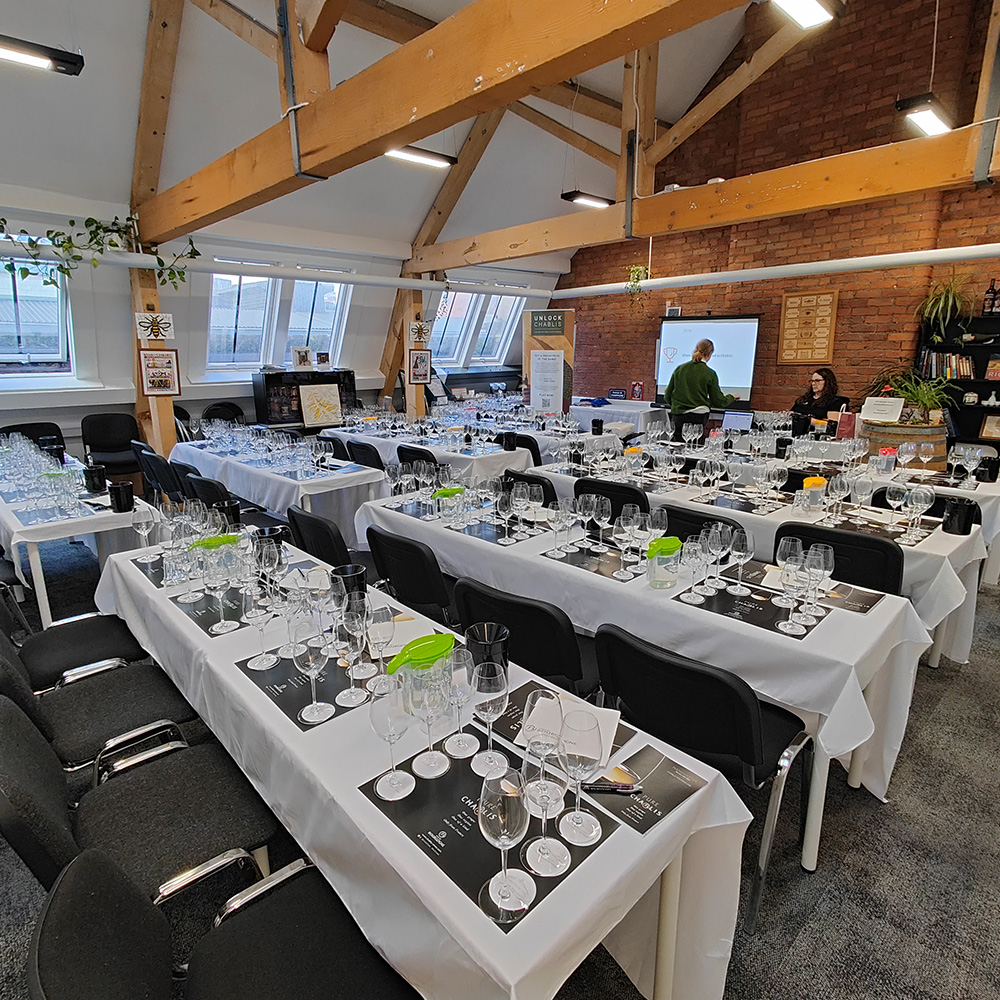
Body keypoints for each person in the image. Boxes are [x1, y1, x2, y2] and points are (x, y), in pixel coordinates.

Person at [662, 339, 737, 440]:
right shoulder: (710, 373)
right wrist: (732, 397)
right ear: (710, 354)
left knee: (677, 445)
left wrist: (678, 406)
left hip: (678, 417)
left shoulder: (679, 369)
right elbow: (718, 401)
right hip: (699, 417)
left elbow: (667, 395)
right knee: (695, 446)